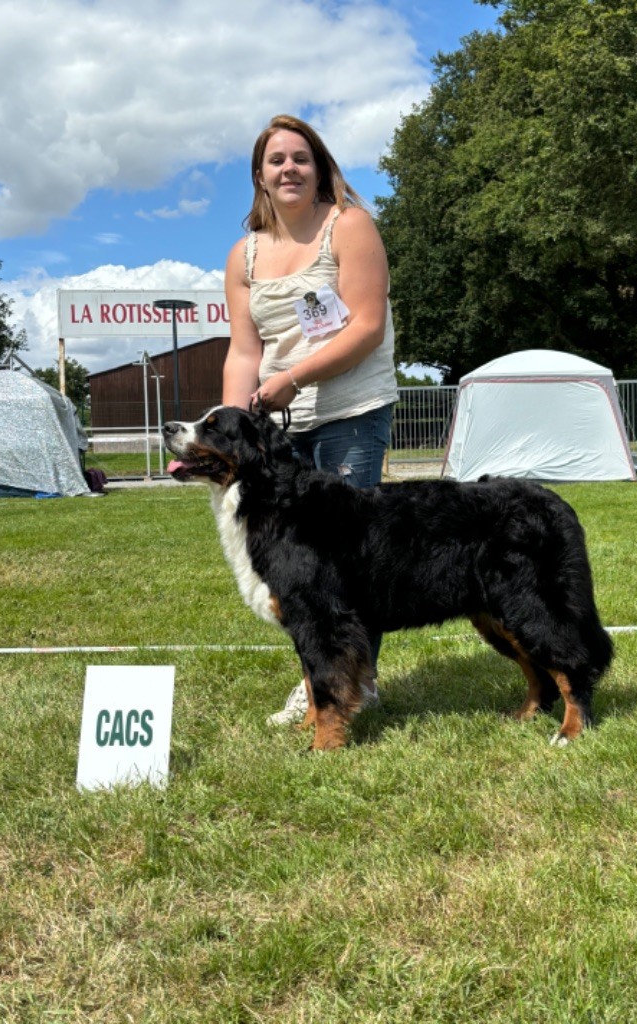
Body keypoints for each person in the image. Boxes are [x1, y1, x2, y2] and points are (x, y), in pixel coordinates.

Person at [222, 113, 399, 726]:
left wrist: (292, 379)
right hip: (279, 422)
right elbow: (243, 350)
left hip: (351, 409)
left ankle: (354, 684)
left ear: (320, 168)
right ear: (259, 176)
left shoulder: (349, 225)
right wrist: (233, 429)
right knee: (295, 565)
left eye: (301, 158)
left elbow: (367, 327)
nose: (289, 169)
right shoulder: (243, 255)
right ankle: (319, 681)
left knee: (350, 556)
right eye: (276, 160)